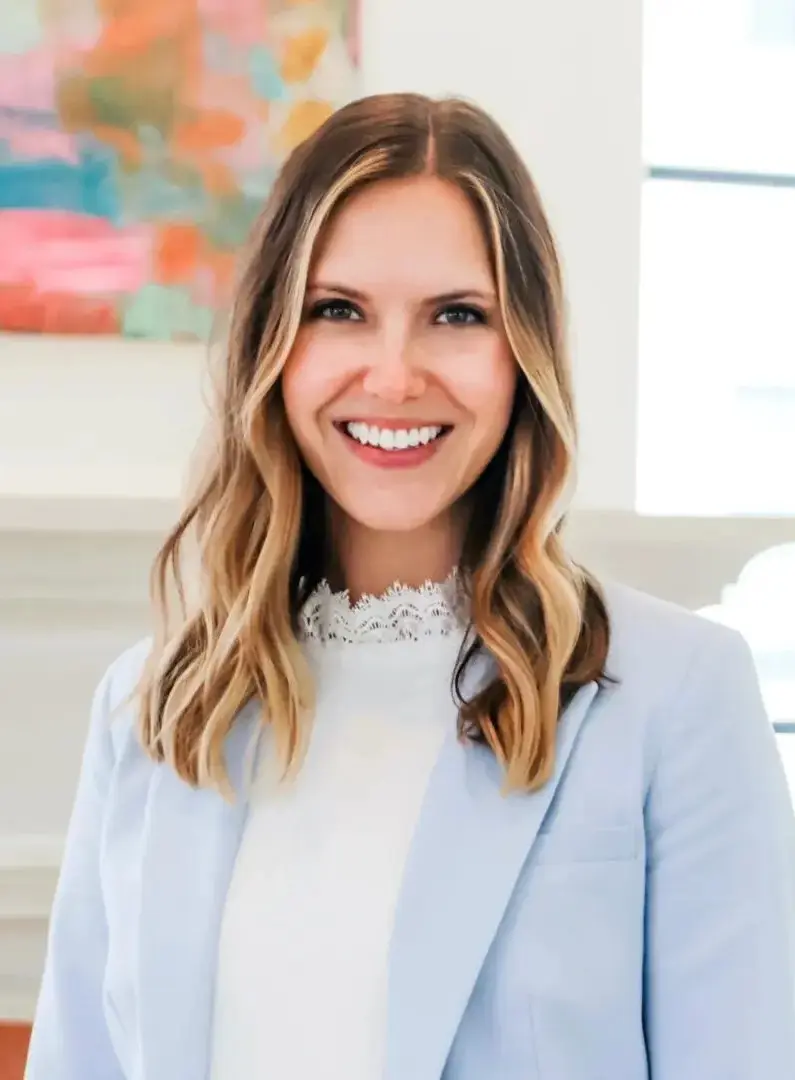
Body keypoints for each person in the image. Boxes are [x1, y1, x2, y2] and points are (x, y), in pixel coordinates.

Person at [26, 93, 795, 1080]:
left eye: (456, 317)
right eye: (338, 310)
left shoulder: (678, 696)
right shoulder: (148, 708)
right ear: (273, 343)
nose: (394, 377)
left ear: (525, 353)